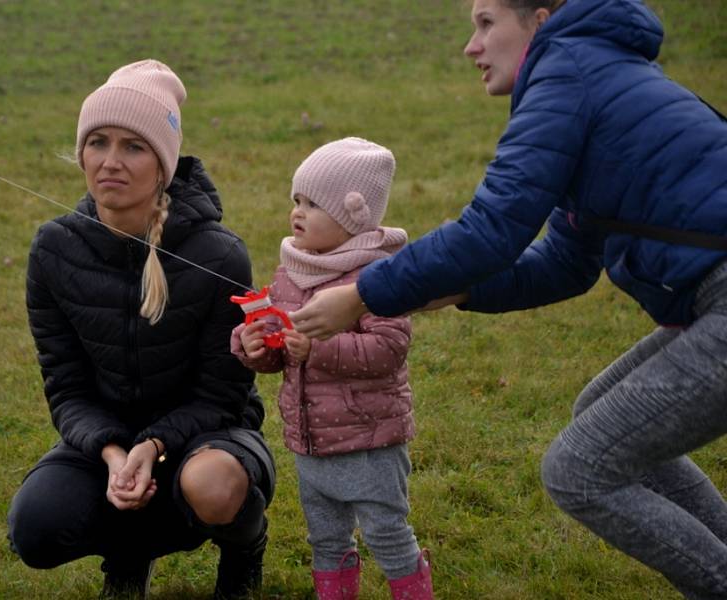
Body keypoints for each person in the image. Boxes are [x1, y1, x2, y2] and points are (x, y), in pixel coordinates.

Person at [289, 1, 727, 598]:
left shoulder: (566, 71)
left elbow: (491, 227)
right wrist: (460, 287)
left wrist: (364, 295)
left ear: (542, 21)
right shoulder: (589, 72)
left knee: (580, 469)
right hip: (708, 302)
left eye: (488, 22)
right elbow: (568, 263)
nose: (472, 45)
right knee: (597, 416)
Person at [6, 59, 275, 600]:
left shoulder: (218, 254)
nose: (111, 162)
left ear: (164, 164)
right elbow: (66, 388)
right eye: (98, 142)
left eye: (133, 146)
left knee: (213, 486)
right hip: (107, 439)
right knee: (34, 527)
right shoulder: (53, 250)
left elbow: (223, 394)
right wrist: (111, 452)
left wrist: (153, 445)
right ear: (81, 152)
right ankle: (127, 555)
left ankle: (244, 547)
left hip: (205, 437)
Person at [231, 137, 434, 600]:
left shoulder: (377, 278)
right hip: (312, 439)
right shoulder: (291, 272)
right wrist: (255, 345)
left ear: (352, 217)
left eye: (314, 204)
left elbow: (389, 347)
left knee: (386, 531)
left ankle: (412, 589)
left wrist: (317, 349)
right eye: (296, 200)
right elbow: (282, 353)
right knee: (325, 538)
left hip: (370, 441)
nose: (297, 213)